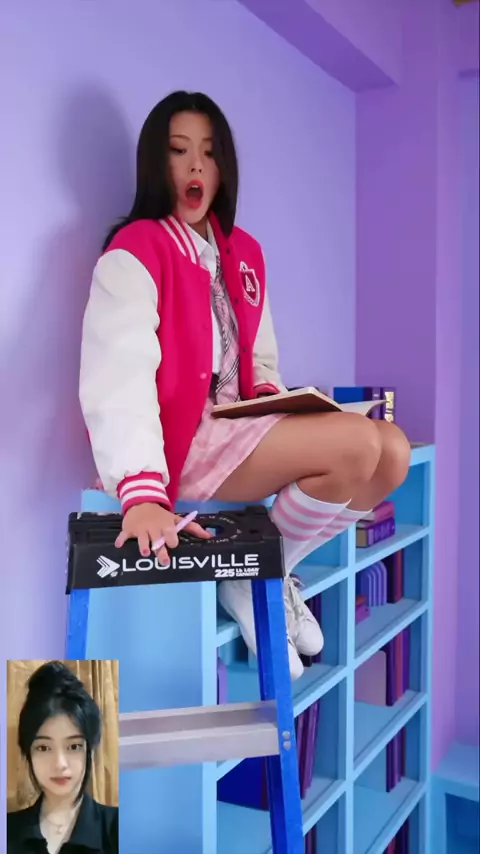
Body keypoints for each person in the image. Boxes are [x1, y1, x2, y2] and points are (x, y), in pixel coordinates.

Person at [79, 90, 411, 679]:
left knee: (393, 452)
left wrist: (281, 403)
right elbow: (118, 375)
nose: (196, 165)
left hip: (236, 425)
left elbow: (260, 358)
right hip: (183, 439)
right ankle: (256, 575)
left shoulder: (243, 252)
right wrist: (142, 490)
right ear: (156, 162)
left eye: (209, 153)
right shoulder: (137, 250)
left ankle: (266, 570)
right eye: (179, 150)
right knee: (359, 445)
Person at [7, 661, 118, 854]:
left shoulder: (117, 829)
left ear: (90, 749)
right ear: (28, 752)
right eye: (43, 748)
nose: (59, 764)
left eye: (73, 746)